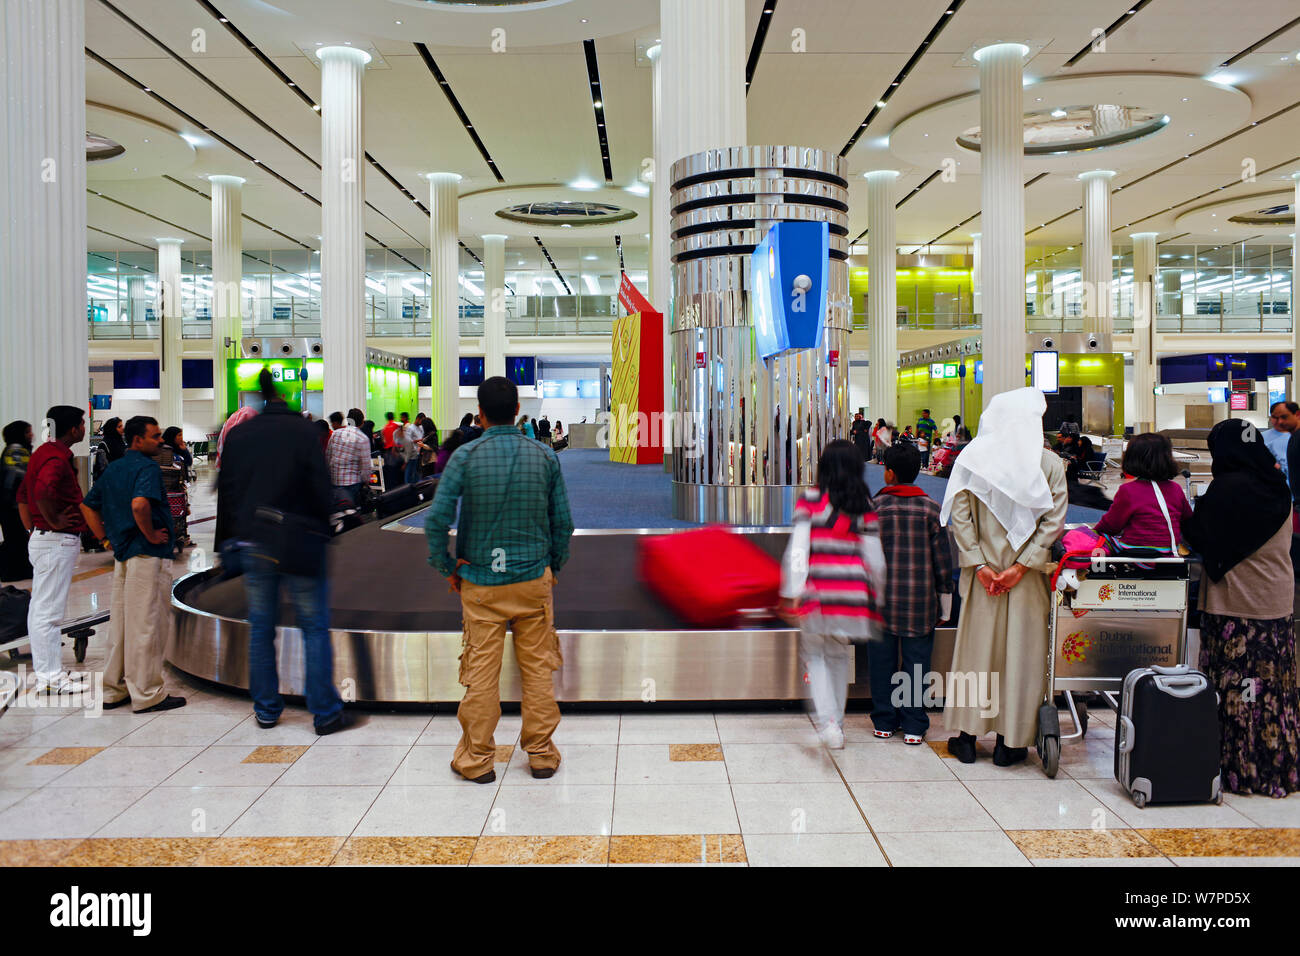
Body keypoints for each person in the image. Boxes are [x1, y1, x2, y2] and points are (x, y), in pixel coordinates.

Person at [425, 376, 574, 783]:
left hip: (481, 584)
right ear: (518, 413)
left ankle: (477, 759)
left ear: (481, 413)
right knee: (538, 671)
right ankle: (541, 754)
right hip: (532, 580)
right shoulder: (544, 456)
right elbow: (563, 523)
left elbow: (437, 520)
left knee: (481, 673)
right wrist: (551, 569)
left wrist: (447, 568)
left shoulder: (465, 457)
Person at [940, 387, 1068, 765]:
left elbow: (959, 516)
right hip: (1026, 581)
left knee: (976, 655)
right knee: (1022, 655)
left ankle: (965, 737)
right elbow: (1053, 521)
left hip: (982, 581)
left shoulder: (973, 458)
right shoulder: (1048, 464)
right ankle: (1010, 743)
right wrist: (1020, 566)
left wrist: (980, 564)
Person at [218, 369, 346, 735]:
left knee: (261, 627)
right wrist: (326, 527)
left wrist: (230, 541)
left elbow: (227, 491)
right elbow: (321, 487)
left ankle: (267, 708)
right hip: (301, 541)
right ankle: (324, 711)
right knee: (313, 627)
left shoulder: (240, 434)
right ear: (286, 400)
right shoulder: (303, 431)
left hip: (255, 542)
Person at [1182, 419, 1299, 797]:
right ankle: (1275, 767)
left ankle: (1237, 769)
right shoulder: (1277, 486)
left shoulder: (1227, 489)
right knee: (1271, 690)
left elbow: (1201, 537)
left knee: (1235, 689)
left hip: (1236, 602)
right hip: (1277, 601)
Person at [779, 439, 885, 749]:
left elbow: (798, 551)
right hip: (851, 599)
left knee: (816, 657)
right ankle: (836, 724)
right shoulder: (864, 506)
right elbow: (876, 560)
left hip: (819, 596)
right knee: (839, 657)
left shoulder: (810, 500)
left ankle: (828, 723)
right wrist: (877, 595)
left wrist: (791, 590)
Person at [80, 416, 185, 713]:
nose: (160, 441)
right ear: (138, 440)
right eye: (155, 436)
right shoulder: (147, 467)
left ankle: (114, 689)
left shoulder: (114, 468)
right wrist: (151, 534)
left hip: (124, 555)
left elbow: (87, 505)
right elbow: (140, 504)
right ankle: (148, 693)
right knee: (146, 625)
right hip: (146, 556)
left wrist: (105, 540)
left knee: (123, 624)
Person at [868, 442, 954, 745]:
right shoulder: (932, 509)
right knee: (917, 665)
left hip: (880, 603)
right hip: (920, 604)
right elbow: (943, 562)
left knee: (881, 662)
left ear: (888, 474)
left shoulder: (874, 509)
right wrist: (945, 604)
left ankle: (883, 720)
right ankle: (914, 725)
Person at [17, 406, 90, 694]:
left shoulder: (41, 454)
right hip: (56, 540)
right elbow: (43, 491)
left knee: (41, 610)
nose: (84, 428)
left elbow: (23, 497)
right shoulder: (56, 458)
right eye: (82, 424)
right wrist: (54, 521)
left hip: (44, 538)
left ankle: (49, 672)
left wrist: (34, 528)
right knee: (48, 612)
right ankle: (50, 678)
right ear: (73, 429)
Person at [1092, 433, 1192, 549]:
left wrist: (1092, 533)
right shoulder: (1176, 489)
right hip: (1171, 556)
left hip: (1138, 559)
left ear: (1133, 458)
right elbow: (1187, 519)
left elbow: (1111, 526)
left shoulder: (1128, 491)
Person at [0, 421, 34, 581]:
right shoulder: (16, 451)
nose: (31, 435)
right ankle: (14, 572)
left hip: (9, 505)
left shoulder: (13, 450)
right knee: (17, 539)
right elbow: (22, 477)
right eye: (27, 432)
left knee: (14, 538)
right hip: (13, 505)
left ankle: (14, 571)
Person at [327, 409, 372, 507]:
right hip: (352, 483)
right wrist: (366, 481)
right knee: (350, 512)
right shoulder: (362, 439)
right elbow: (365, 466)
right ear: (362, 423)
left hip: (334, 481)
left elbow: (328, 455)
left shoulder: (335, 434)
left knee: (336, 512)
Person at [155, 426, 191, 551]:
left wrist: (184, 450)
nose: (181, 438)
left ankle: (181, 534)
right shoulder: (163, 451)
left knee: (180, 511)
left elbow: (188, 462)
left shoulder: (178, 449)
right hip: (167, 487)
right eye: (179, 435)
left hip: (177, 486)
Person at [1266, 400, 1298, 483]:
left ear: (1297, 415)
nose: (1279, 422)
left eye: (1284, 417)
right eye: (1275, 417)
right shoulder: (1262, 438)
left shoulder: (1296, 437)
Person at [92, 416, 125, 482]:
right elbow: (102, 468)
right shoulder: (104, 444)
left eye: (122, 426)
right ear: (112, 429)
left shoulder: (121, 442)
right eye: (119, 427)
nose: (122, 429)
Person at [400, 414, 422, 486]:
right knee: (409, 473)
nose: (422, 423)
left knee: (416, 474)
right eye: (421, 420)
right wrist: (419, 440)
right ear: (418, 419)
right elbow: (408, 441)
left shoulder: (420, 428)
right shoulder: (410, 428)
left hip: (418, 453)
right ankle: (406, 488)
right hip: (411, 454)